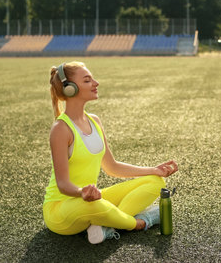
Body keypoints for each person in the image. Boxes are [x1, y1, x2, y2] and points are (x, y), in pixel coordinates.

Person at [43, 61, 178, 244]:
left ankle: (106, 225)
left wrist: (154, 170)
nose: (96, 83)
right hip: (61, 211)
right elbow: (63, 184)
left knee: (156, 182)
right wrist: (82, 192)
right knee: (93, 206)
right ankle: (140, 223)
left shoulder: (95, 121)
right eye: (87, 80)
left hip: (91, 199)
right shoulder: (61, 128)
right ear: (70, 89)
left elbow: (112, 167)